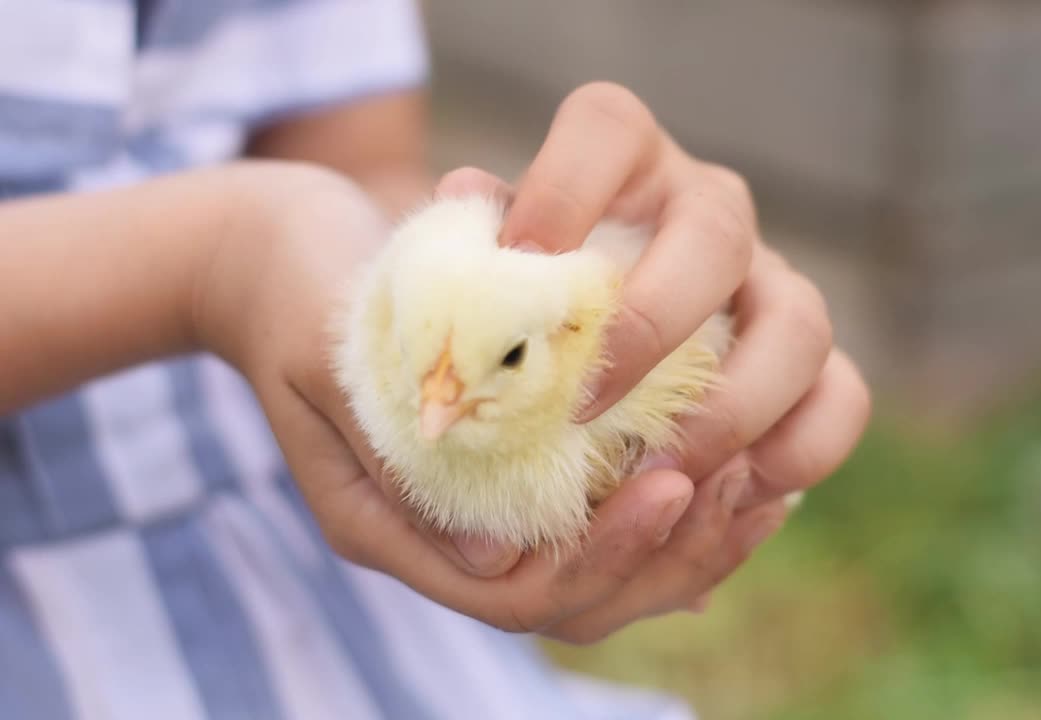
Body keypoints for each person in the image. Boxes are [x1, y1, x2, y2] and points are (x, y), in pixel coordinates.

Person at [0, 1, 870, 717]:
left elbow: (359, 165)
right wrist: (210, 262)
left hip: (308, 599)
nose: (437, 403)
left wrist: (555, 239)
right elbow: (263, 247)